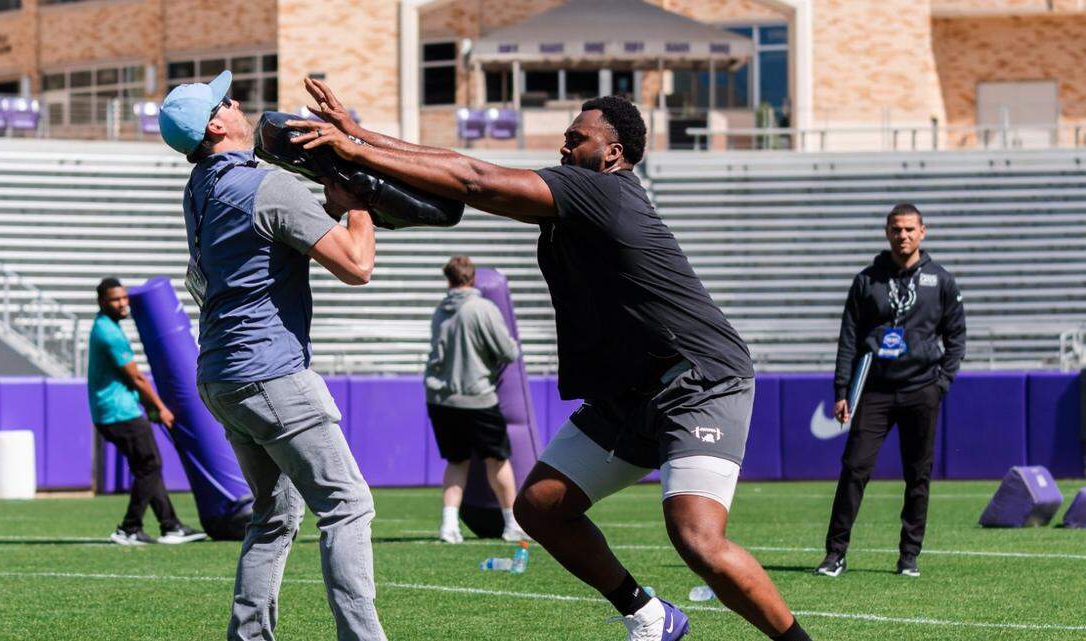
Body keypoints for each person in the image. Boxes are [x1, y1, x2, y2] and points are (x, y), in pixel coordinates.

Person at [289, 78, 812, 641]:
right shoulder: (579, 196)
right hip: (629, 392)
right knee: (539, 509)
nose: (564, 148)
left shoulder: (604, 191)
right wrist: (358, 135)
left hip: (698, 378)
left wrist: (357, 150)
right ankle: (651, 616)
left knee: (696, 538)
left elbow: (473, 178)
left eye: (575, 138)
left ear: (612, 153)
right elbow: (462, 166)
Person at [157, 71, 386, 641]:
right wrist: (357, 204)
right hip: (269, 371)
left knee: (275, 516)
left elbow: (263, 244)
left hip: (221, 374)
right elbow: (357, 266)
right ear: (215, 124)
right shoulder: (267, 186)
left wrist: (328, 203)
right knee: (347, 505)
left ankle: (249, 636)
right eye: (227, 100)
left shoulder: (201, 187)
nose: (238, 102)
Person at [816, 203, 966, 579]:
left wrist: (941, 382)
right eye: (897, 229)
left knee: (918, 475)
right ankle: (835, 554)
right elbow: (848, 338)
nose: (903, 236)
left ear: (922, 232)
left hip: (921, 390)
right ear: (887, 231)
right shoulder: (868, 280)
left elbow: (957, 337)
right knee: (854, 469)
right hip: (875, 392)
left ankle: (909, 556)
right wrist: (842, 390)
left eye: (910, 229)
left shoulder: (941, 280)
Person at [88, 277, 206, 546]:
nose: (121, 304)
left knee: (147, 467)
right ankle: (129, 528)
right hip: (119, 413)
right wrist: (160, 408)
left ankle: (170, 525)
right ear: (101, 302)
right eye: (114, 300)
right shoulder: (108, 333)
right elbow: (137, 378)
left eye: (123, 298)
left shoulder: (107, 327)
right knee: (150, 466)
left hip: (117, 411)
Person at [424, 255, 524, 544]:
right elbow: (508, 352)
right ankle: (511, 523)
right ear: (472, 278)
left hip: (441, 398)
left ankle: (449, 526)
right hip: (477, 395)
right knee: (498, 459)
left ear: (449, 279)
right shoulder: (483, 308)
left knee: (457, 461)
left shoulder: (441, 309)